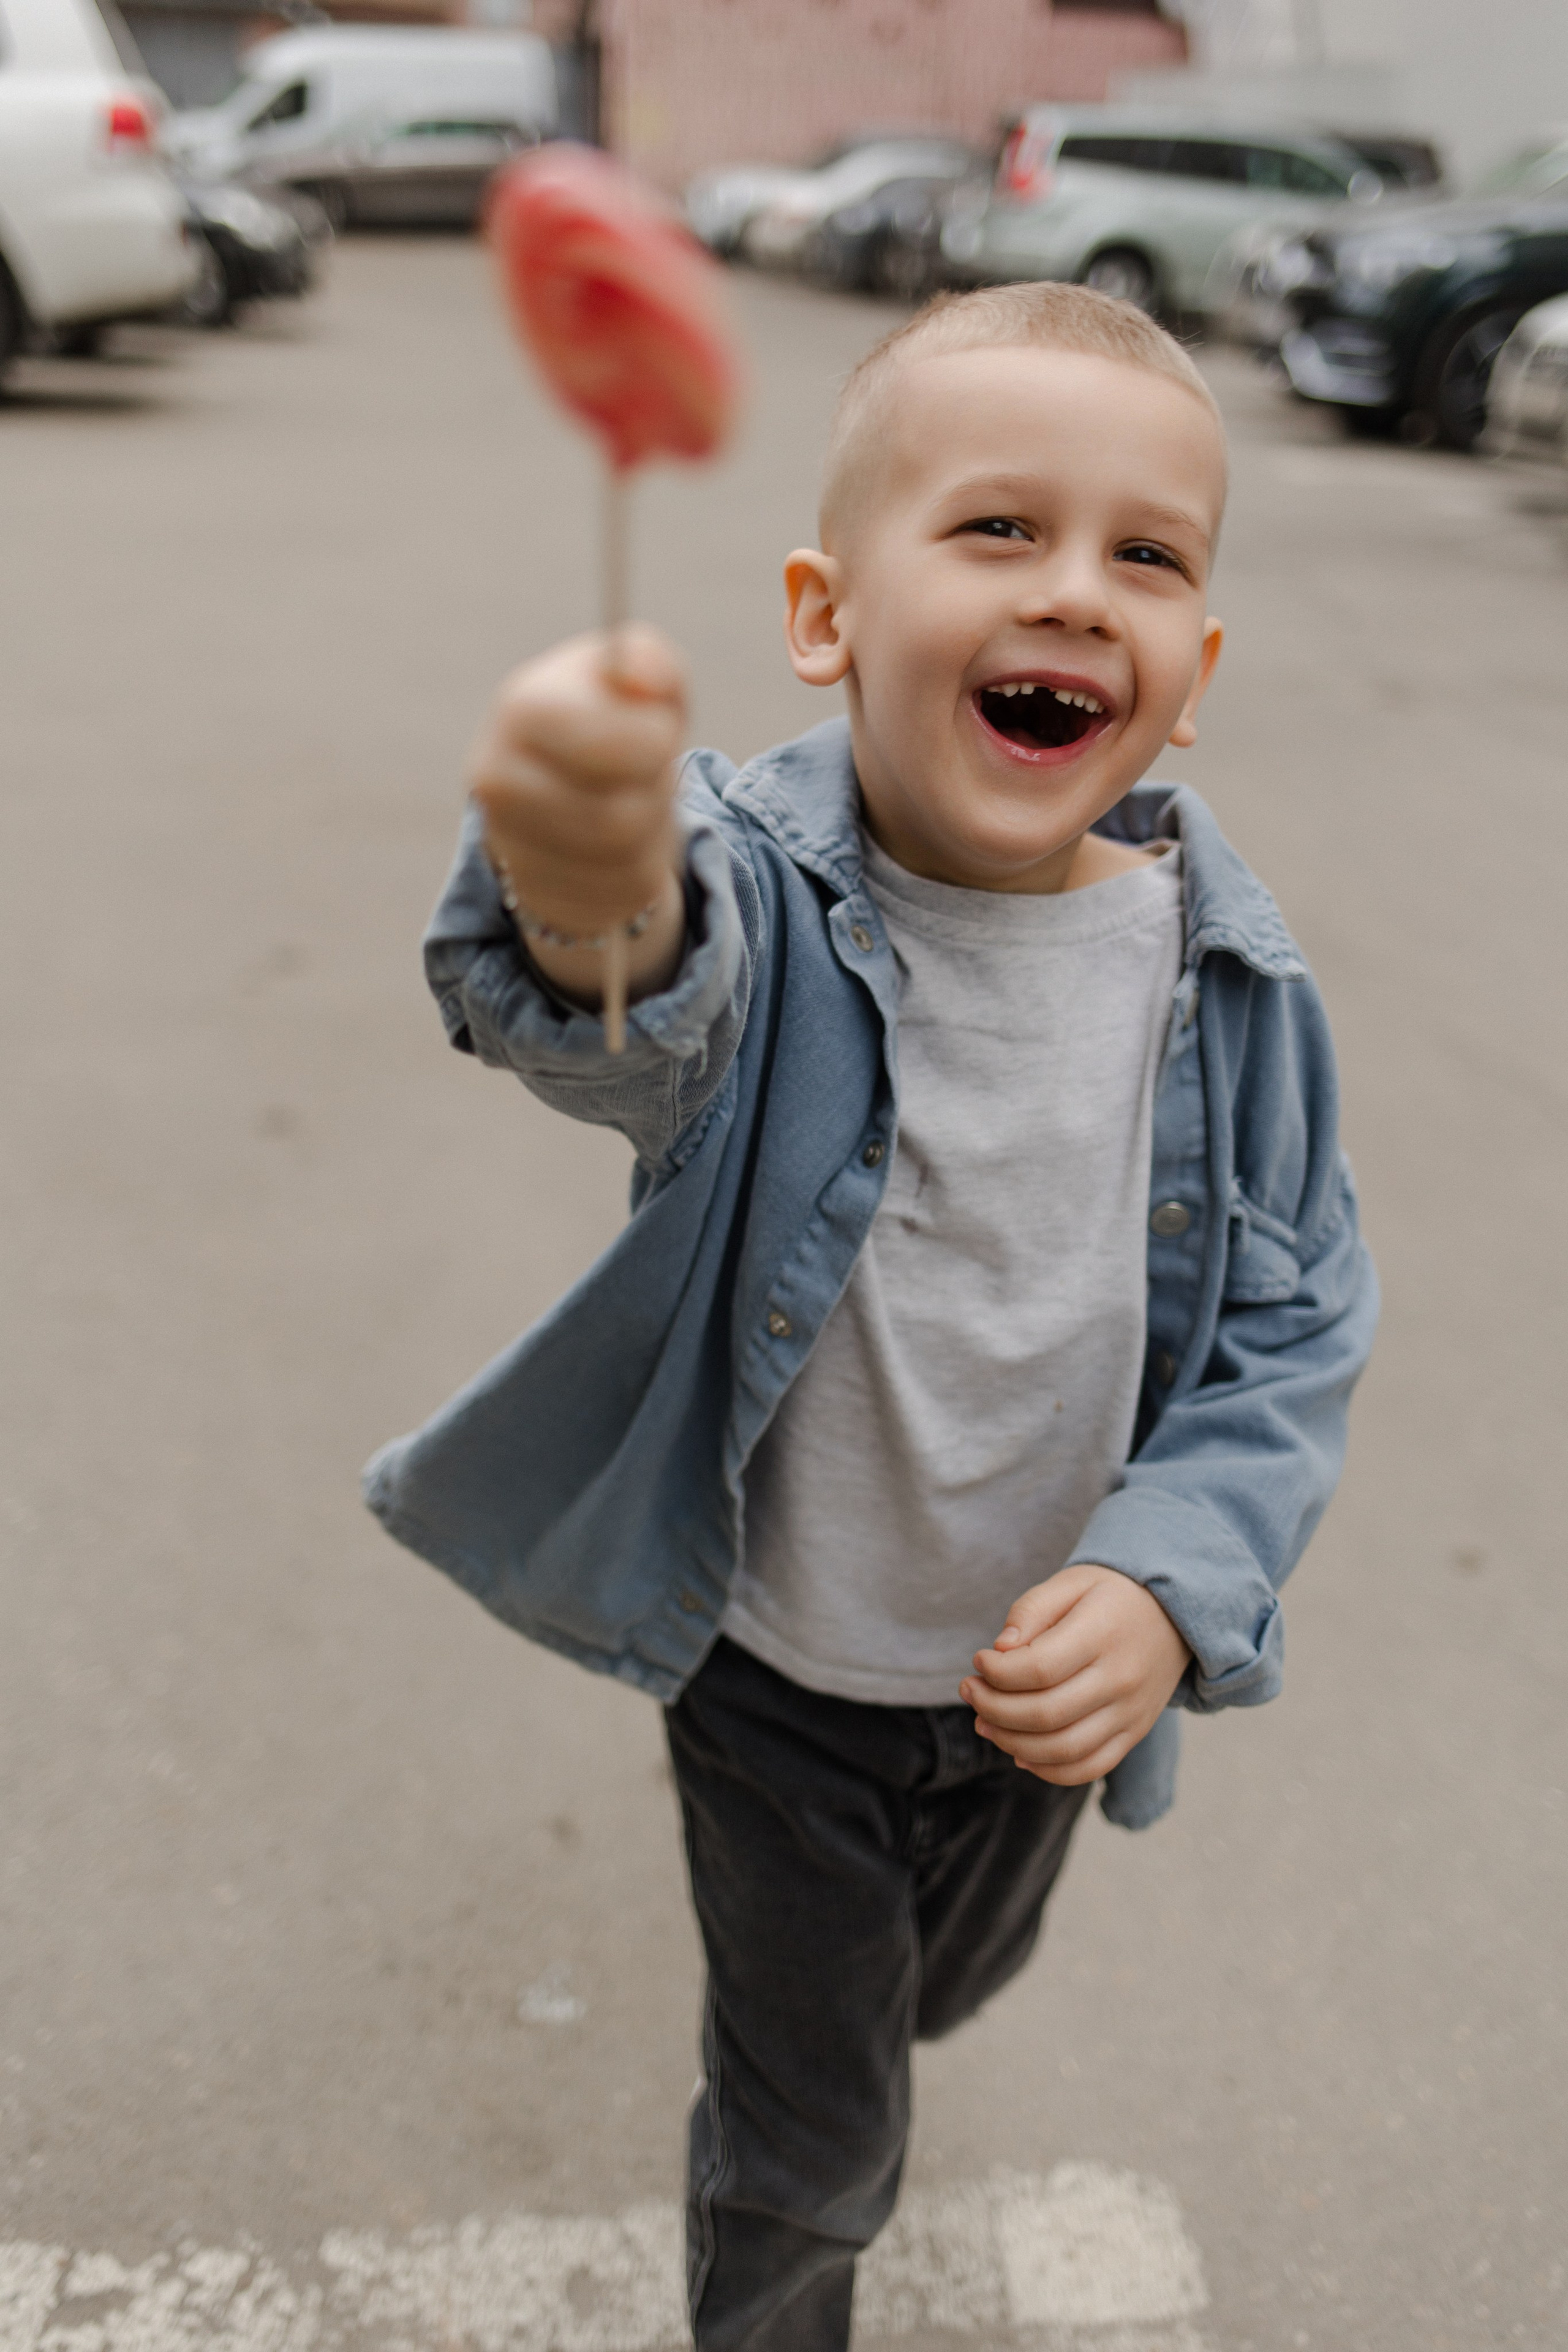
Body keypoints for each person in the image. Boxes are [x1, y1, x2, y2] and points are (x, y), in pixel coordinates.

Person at [364, 282, 1377, 2351]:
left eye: (1147, 556)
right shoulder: (758, 887)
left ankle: (819, 2042)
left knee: (938, 1993)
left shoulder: (1234, 987)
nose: (1076, 595)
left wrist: (1175, 1579)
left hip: (1027, 1701)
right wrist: (586, 882)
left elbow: (1295, 1332)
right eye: (998, 532)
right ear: (828, 617)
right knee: (823, 2140)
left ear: (1191, 679)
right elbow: (643, 1004)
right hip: (780, 1672)